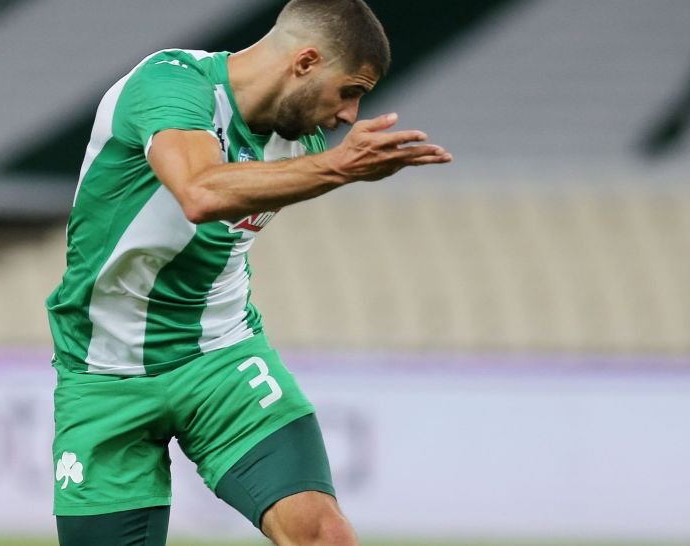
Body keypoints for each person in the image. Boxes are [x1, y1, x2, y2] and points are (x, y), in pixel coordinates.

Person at [45, 0, 451, 544]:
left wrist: (333, 166)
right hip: (102, 372)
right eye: (349, 91)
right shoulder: (170, 83)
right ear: (305, 62)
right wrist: (339, 167)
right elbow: (199, 192)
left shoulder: (301, 142)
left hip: (222, 359)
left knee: (324, 535)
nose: (349, 116)